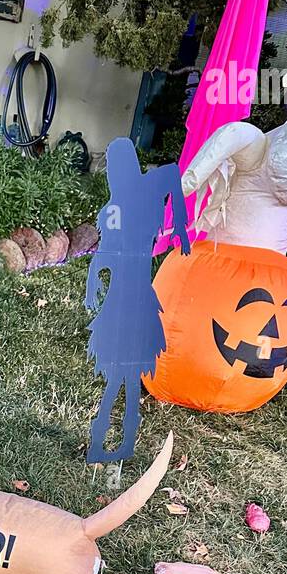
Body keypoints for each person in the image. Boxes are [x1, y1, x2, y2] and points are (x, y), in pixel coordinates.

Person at [85, 139, 190, 464]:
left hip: (135, 296)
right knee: (120, 371)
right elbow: (106, 252)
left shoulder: (142, 195)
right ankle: (108, 437)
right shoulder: (115, 207)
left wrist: (182, 228)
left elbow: (173, 173)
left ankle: (115, 436)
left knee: (125, 372)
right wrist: (92, 280)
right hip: (120, 296)